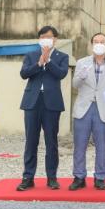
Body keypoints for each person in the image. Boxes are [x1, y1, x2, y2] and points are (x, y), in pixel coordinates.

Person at [17, 26, 69, 191]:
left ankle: (52, 178)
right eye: (43, 36)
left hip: (51, 104)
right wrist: (39, 63)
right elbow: (24, 73)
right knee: (31, 141)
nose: (46, 39)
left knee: (51, 142)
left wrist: (49, 61)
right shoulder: (31, 55)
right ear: (39, 39)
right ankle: (28, 177)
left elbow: (61, 74)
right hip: (32, 102)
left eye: (49, 36)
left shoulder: (62, 56)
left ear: (55, 39)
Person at [69, 32, 105, 191]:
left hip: (102, 109)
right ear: (91, 44)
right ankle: (79, 176)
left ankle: (100, 177)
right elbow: (75, 84)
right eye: (96, 41)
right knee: (80, 145)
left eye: (102, 42)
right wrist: (80, 76)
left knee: (101, 145)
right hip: (84, 108)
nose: (99, 44)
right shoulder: (82, 62)